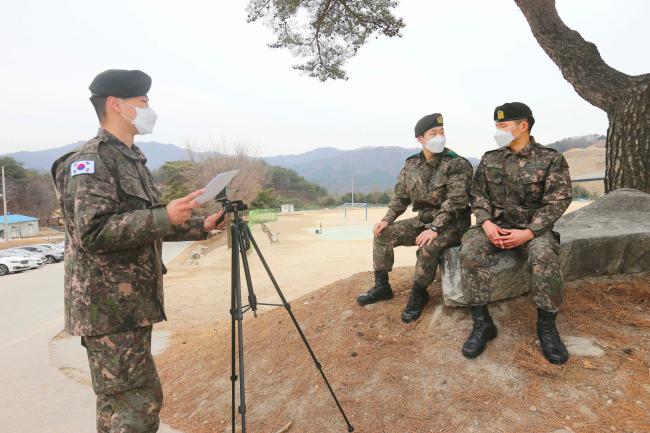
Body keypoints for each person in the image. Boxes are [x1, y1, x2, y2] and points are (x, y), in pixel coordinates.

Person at [51, 69, 226, 432]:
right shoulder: (91, 161)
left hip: (131, 307)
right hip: (109, 311)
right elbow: (93, 232)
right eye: (143, 102)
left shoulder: (131, 159)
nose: (150, 109)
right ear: (115, 104)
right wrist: (163, 215)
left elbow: (144, 224)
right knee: (134, 408)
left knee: (127, 407)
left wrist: (200, 225)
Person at [459, 102, 572, 364]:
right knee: (470, 250)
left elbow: (558, 200)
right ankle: (482, 322)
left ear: (523, 126)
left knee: (544, 255)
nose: (498, 130)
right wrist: (486, 223)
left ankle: (547, 327)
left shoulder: (550, 159)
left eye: (503, 125)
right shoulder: (490, 159)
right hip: (495, 225)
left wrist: (530, 233)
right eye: (496, 125)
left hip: (533, 229)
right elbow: (478, 195)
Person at [356, 113, 473, 323]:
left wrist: (435, 229)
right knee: (384, 234)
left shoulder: (457, 164)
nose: (440, 136)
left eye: (442, 132)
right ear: (421, 138)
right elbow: (401, 197)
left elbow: (455, 202)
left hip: (453, 224)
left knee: (428, 247)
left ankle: (419, 293)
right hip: (424, 220)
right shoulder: (411, 165)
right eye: (434, 133)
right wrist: (386, 219)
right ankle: (382, 287)